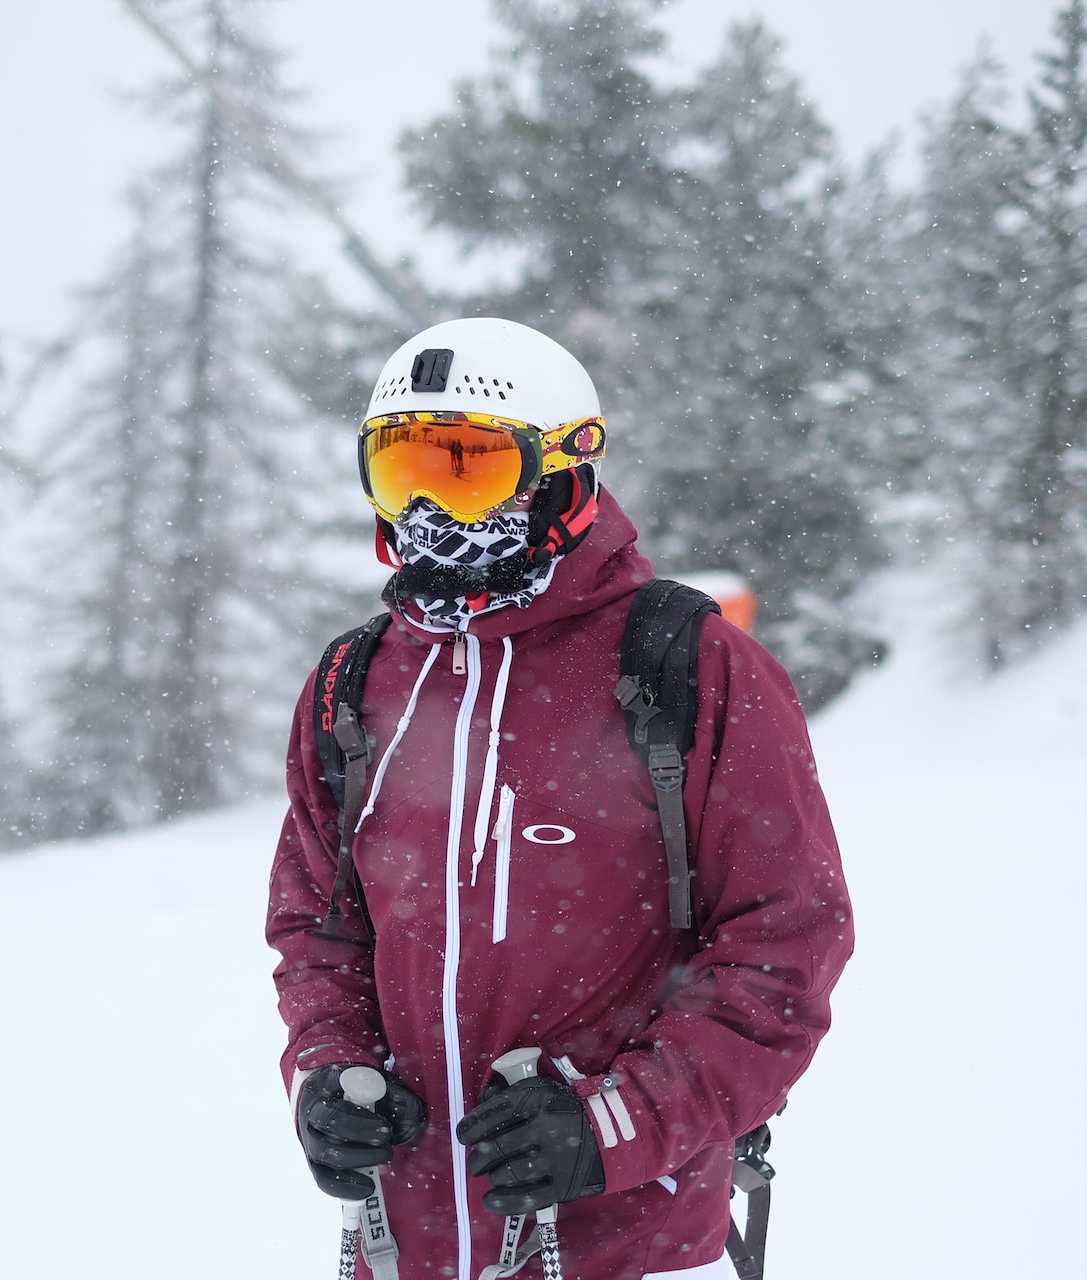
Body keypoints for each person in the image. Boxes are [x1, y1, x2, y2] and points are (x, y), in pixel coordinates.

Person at [267, 317, 853, 1280]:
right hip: (402, 1246)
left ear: (562, 472)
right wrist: (327, 1073)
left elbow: (786, 946)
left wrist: (615, 1124)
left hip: (633, 1246)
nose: (430, 510)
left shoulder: (690, 667)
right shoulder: (355, 681)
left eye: (468, 469)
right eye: (402, 469)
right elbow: (316, 929)